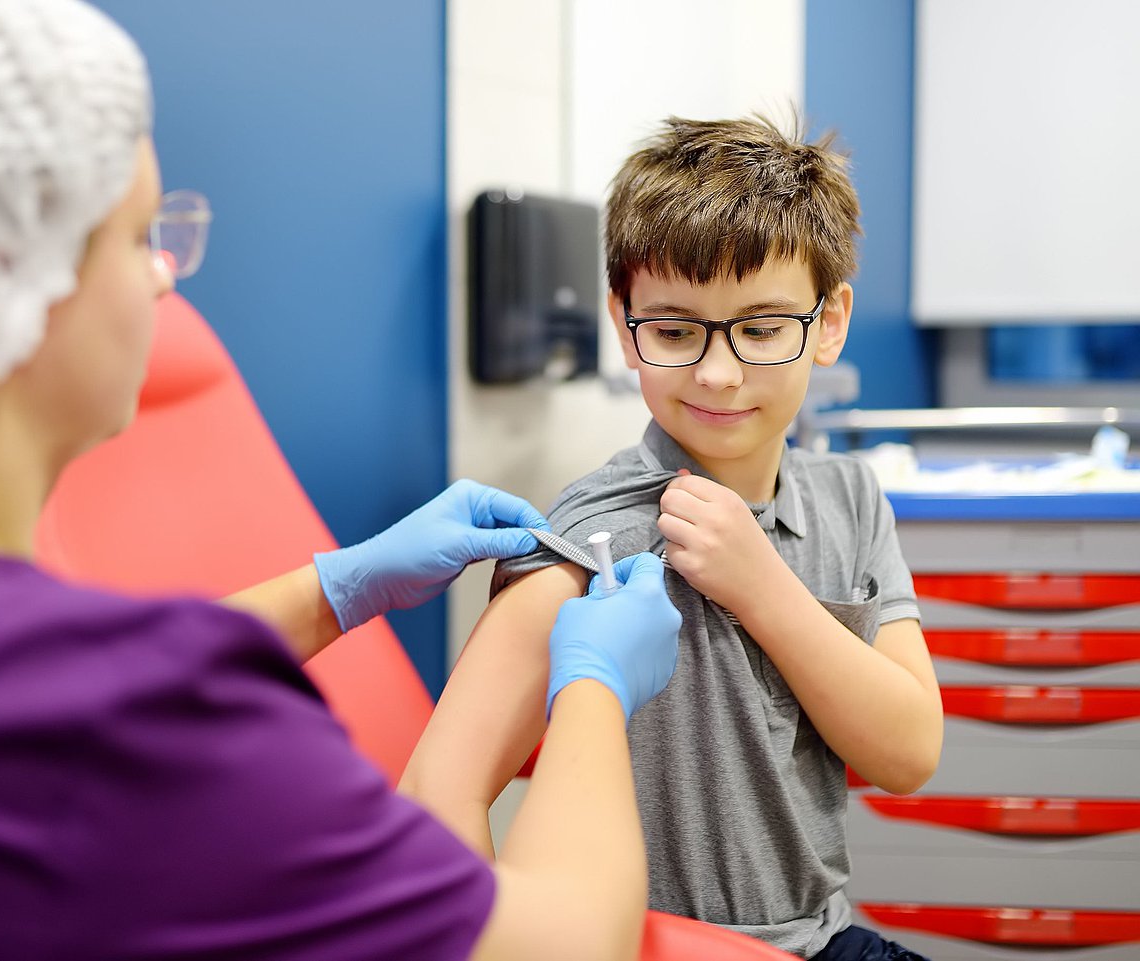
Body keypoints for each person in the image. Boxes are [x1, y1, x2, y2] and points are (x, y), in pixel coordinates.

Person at [0, 1, 685, 958]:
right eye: (138, 238)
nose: (166, 276)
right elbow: (560, 942)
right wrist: (594, 688)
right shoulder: (133, 731)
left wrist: (337, 587)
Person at [399, 116, 944, 961]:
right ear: (625, 325)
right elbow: (440, 791)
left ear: (829, 320)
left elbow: (910, 752)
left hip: (825, 939)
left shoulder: (850, 497)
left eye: (762, 329)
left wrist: (760, 585)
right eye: (676, 330)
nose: (719, 374)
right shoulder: (593, 539)